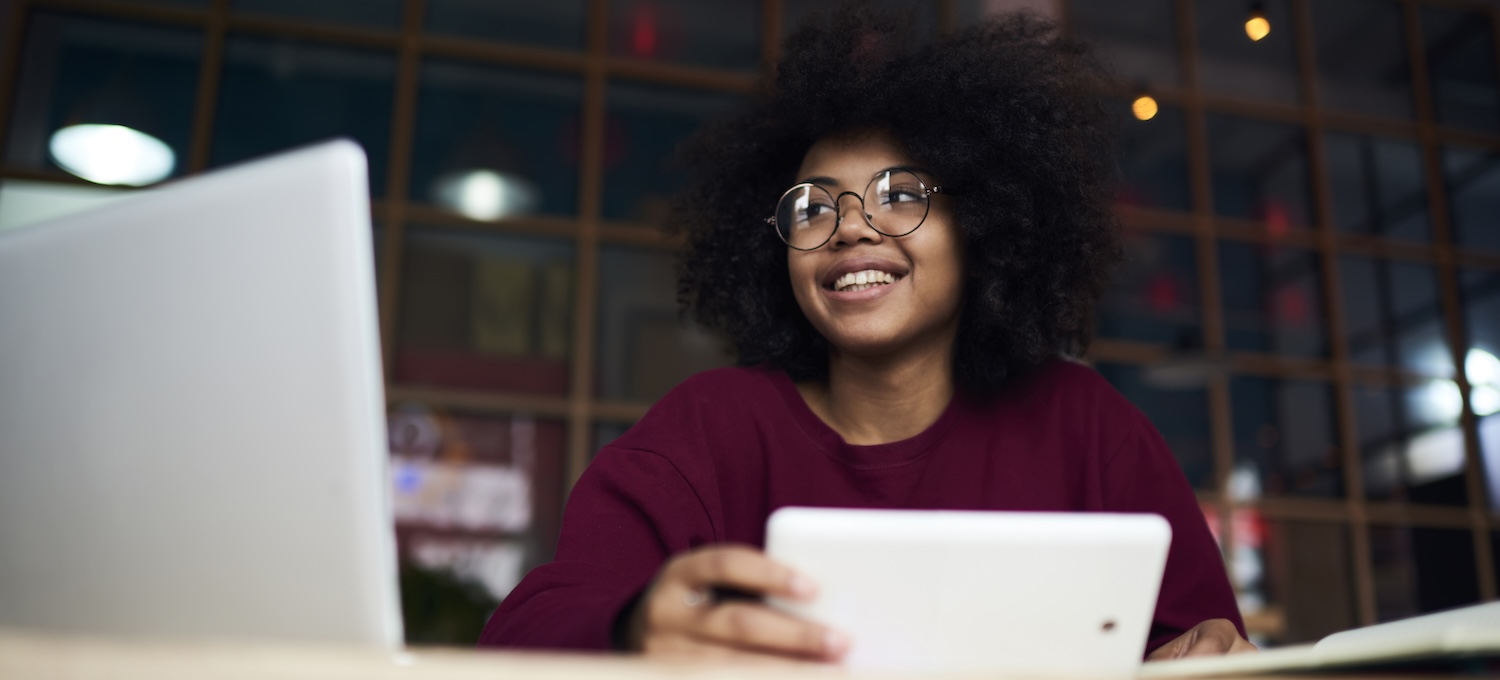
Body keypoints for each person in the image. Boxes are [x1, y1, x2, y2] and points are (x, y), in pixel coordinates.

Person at [479, 6, 1255, 663]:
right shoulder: (708, 430)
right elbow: (525, 631)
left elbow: (1209, 645)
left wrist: (1210, 655)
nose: (850, 228)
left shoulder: (1085, 426)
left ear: (981, 225)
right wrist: (631, 629)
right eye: (813, 207)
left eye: (900, 195)